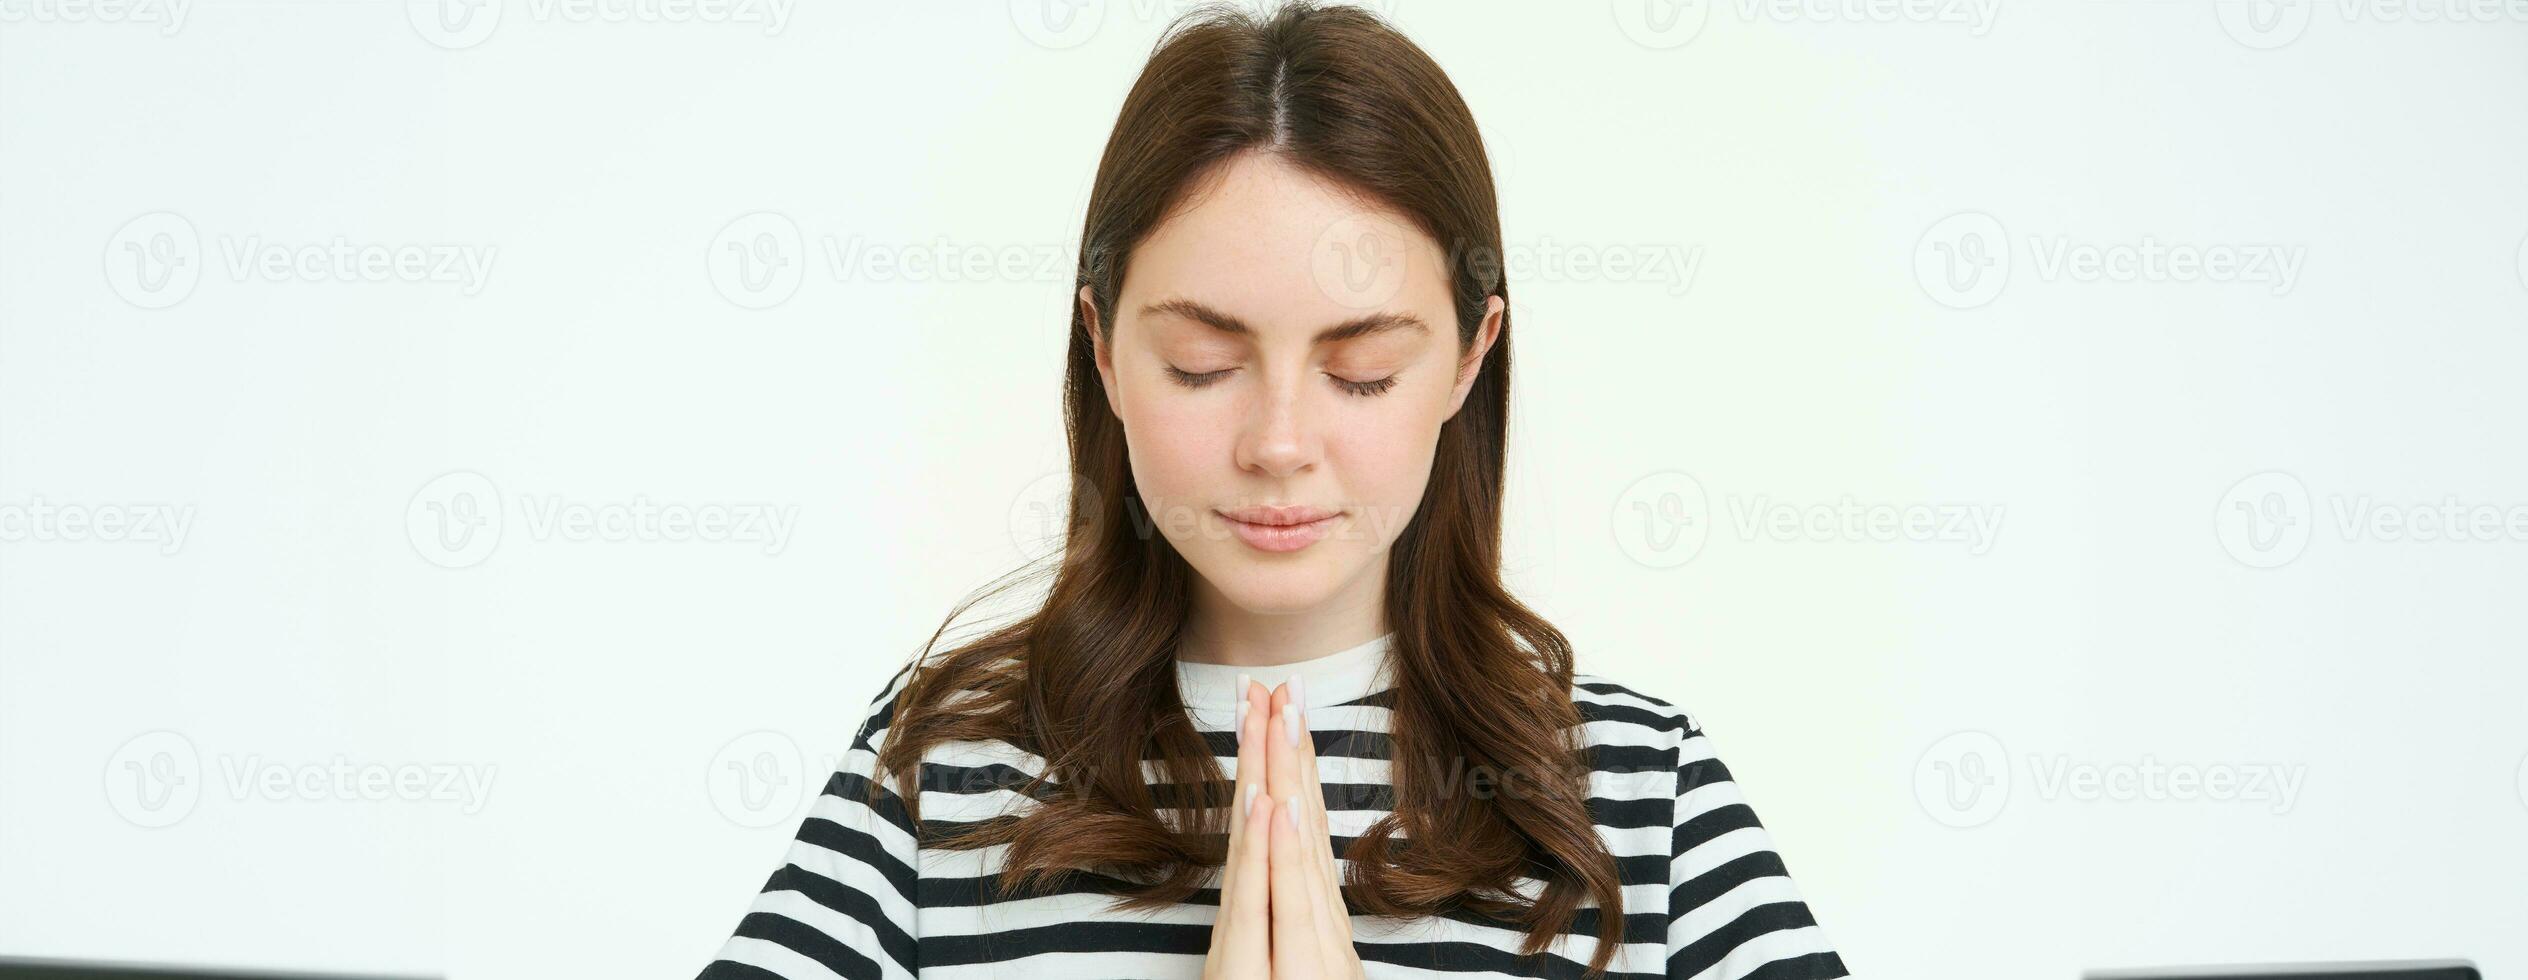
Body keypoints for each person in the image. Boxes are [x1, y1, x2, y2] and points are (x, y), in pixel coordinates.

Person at [696, 3, 1850, 977]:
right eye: (1202, 365)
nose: (1279, 442)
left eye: (1361, 373)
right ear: (1101, 348)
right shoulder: (942, 771)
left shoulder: (1636, 796)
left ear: (1465, 357)